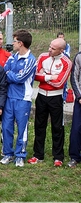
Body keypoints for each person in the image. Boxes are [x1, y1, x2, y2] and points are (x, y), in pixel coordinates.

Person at [28, 38, 72, 167]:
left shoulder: (66, 62)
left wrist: (44, 76)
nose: (49, 49)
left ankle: (58, 157)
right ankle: (38, 155)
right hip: (41, 96)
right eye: (49, 46)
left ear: (61, 50)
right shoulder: (42, 56)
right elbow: (34, 75)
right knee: (39, 126)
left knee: (57, 127)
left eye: (53, 48)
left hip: (56, 98)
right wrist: (49, 76)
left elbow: (59, 83)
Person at [0, 30, 36, 167]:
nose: (12, 43)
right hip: (9, 97)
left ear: (20, 43)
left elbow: (20, 78)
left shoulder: (31, 60)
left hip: (23, 99)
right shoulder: (12, 57)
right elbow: (4, 73)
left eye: (14, 41)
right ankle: (8, 154)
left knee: (22, 128)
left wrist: (10, 74)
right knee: (6, 126)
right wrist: (11, 74)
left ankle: (20, 155)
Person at [68, 51, 81, 168]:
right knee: (76, 129)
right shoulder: (79, 56)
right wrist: (79, 96)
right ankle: (75, 157)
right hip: (80, 100)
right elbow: (74, 78)